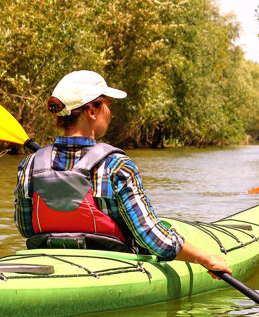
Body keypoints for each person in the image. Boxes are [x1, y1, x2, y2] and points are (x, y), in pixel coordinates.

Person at [14, 70, 230, 277]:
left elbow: (26, 229)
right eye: (107, 104)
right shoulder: (117, 166)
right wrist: (206, 259)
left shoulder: (30, 165)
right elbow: (154, 241)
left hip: (52, 259)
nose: (110, 112)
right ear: (92, 112)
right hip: (113, 267)